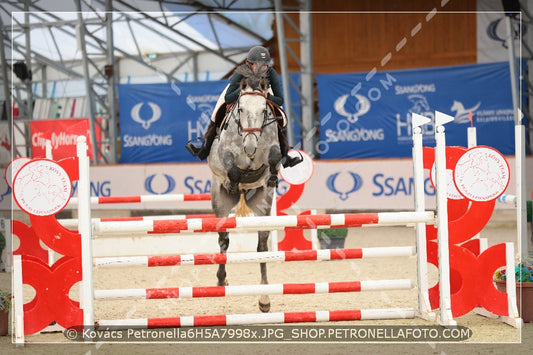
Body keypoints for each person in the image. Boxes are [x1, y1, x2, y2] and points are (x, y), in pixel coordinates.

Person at [185, 46, 302, 168]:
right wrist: (241, 92)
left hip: (264, 93)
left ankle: (285, 157)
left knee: (282, 116)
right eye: (259, 65)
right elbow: (228, 97)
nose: (263, 68)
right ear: (250, 64)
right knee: (216, 113)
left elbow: (280, 99)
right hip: (239, 92)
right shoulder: (241, 72)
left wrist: (267, 96)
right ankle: (204, 149)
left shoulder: (270, 73)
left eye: (265, 65)